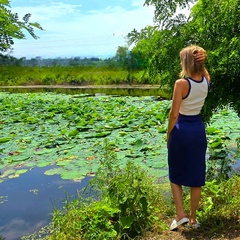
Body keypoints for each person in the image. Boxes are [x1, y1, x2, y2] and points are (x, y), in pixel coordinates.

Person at [166, 45, 210, 230]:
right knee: (196, 175)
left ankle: (180, 215)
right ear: (200, 61)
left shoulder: (181, 83)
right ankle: (193, 219)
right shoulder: (207, 80)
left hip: (181, 129)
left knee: (175, 173)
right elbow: (204, 73)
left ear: (186, 62)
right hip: (198, 129)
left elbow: (174, 114)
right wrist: (203, 63)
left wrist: (169, 134)